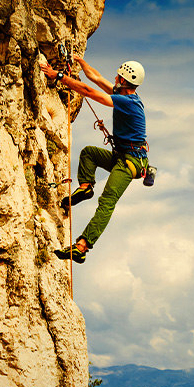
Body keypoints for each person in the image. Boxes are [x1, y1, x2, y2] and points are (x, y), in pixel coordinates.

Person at [39, 55, 150, 264]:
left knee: (107, 202)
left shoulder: (128, 102)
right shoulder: (123, 94)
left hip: (131, 163)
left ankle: (82, 246)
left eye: (118, 76)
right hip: (122, 157)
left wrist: (58, 76)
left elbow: (89, 91)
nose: (115, 78)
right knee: (89, 153)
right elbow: (96, 79)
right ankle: (86, 187)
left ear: (123, 80)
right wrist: (82, 63)